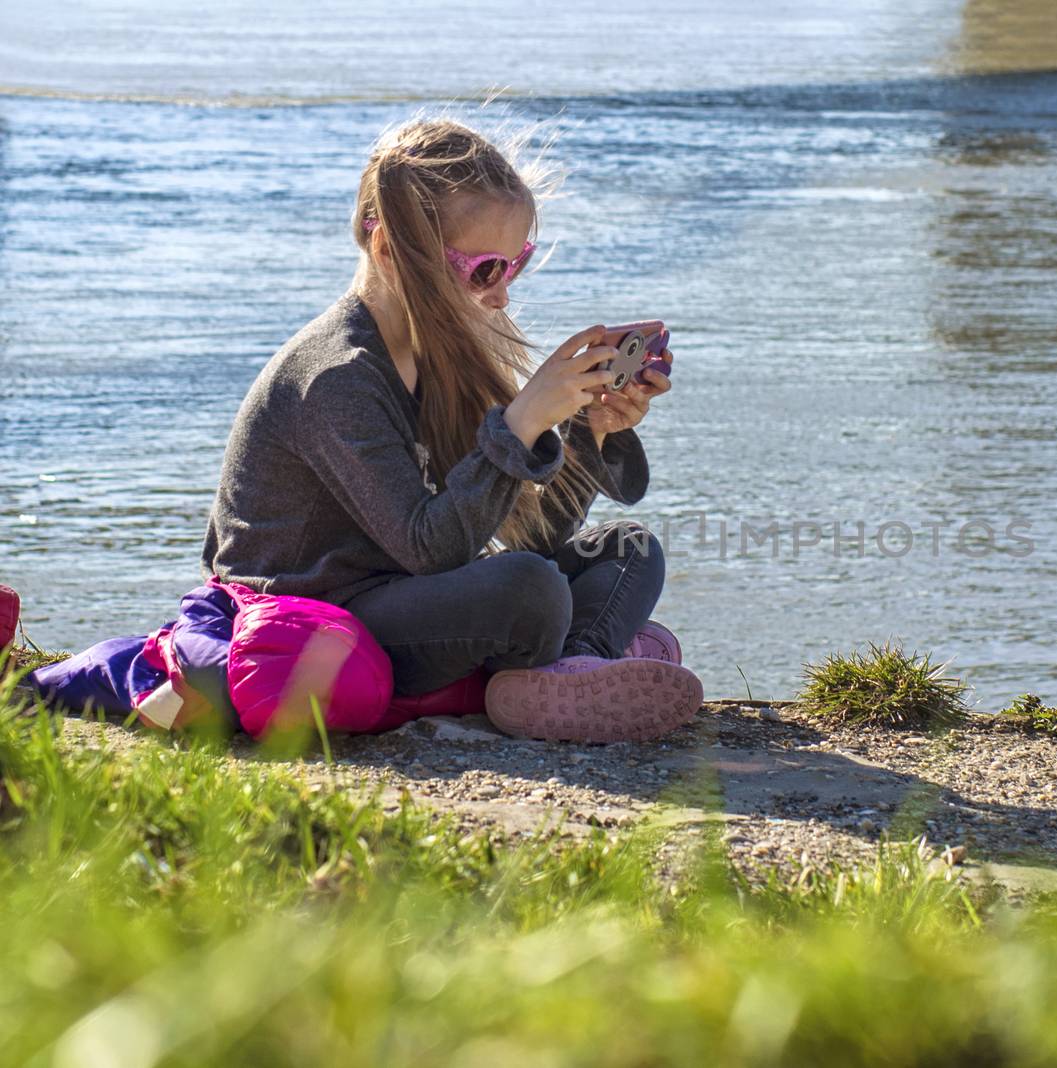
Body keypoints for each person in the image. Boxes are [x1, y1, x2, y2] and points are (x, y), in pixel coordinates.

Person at [201, 117, 702, 742]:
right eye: (482, 271)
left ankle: (576, 663)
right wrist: (522, 422)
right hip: (320, 616)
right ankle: (575, 658)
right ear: (388, 251)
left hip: (408, 595)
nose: (501, 297)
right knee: (529, 590)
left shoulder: (434, 355)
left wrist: (587, 431)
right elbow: (433, 548)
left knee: (630, 548)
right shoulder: (338, 377)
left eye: (514, 265)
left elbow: (516, 537)